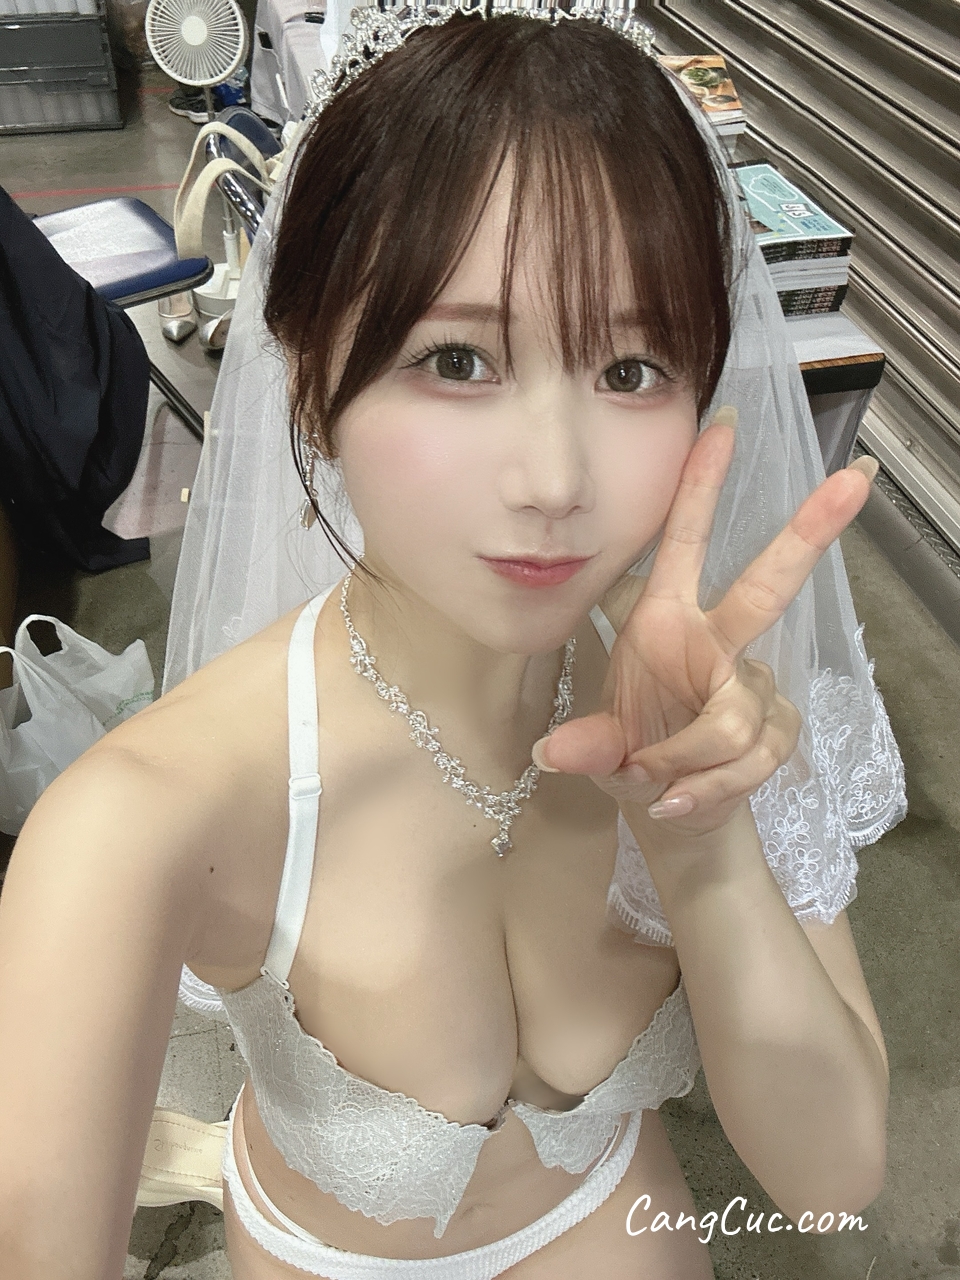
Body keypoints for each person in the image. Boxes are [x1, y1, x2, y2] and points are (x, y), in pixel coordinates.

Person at [0, 5, 905, 1279]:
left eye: (633, 369)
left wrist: (703, 846)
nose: (555, 480)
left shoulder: (707, 704)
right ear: (309, 377)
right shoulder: (147, 817)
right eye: (460, 358)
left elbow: (830, 1184)